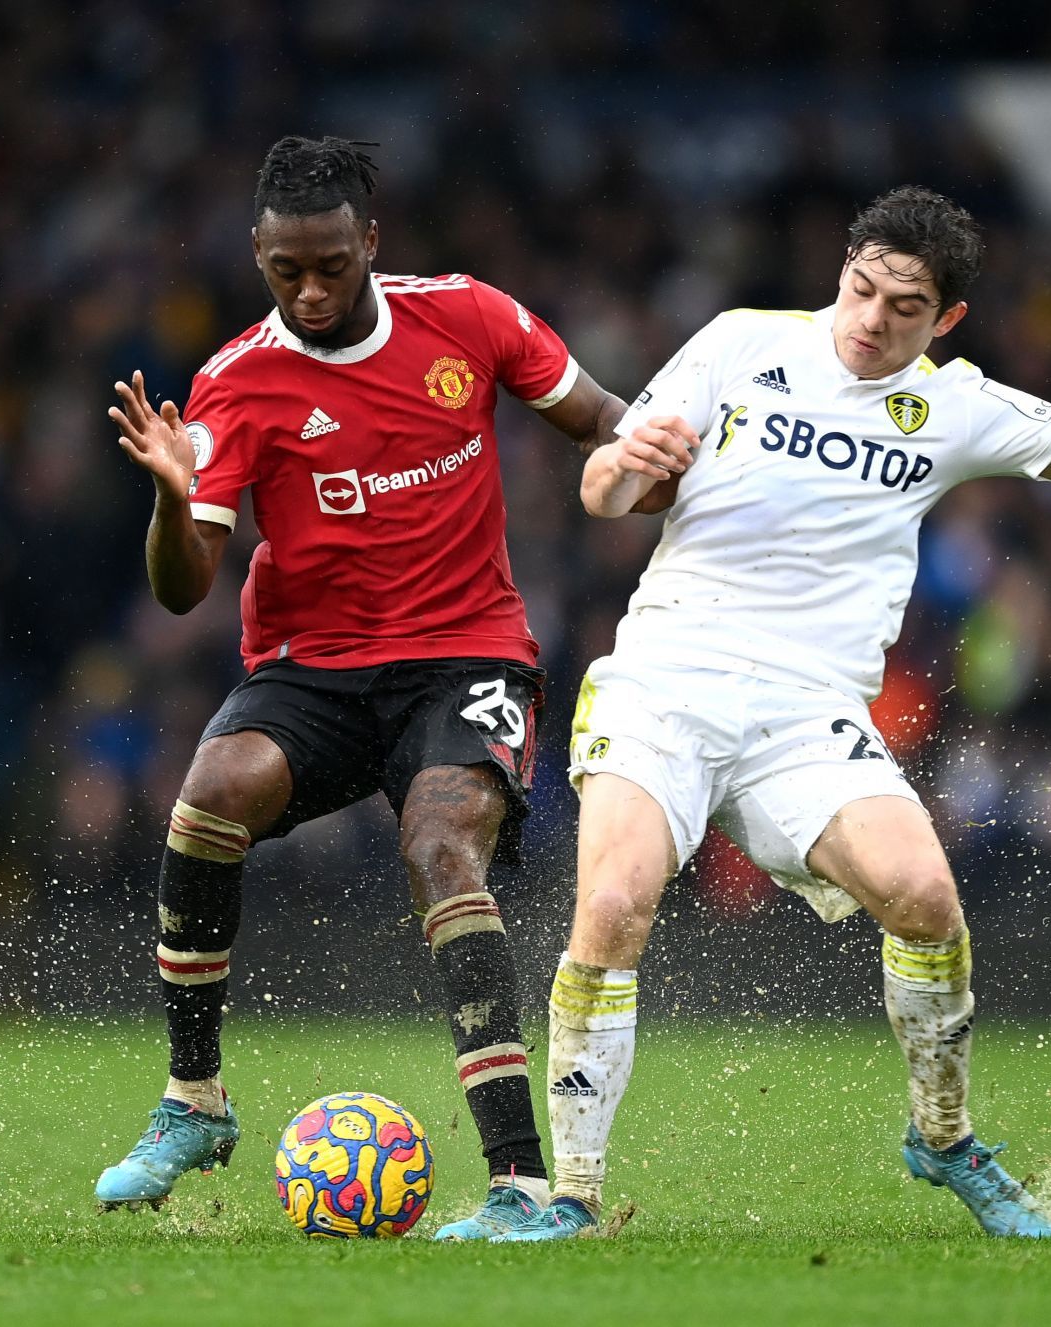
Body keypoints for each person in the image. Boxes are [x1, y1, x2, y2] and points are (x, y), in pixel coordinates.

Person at [499, 187, 1051, 1241]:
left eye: (905, 306)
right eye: (862, 287)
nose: (872, 319)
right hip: (668, 679)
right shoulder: (741, 344)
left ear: (947, 319)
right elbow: (606, 483)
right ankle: (573, 1197)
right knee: (611, 905)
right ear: (844, 269)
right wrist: (618, 471)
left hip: (807, 710)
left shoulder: (954, 408)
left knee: (925, 896)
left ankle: (944, 1135)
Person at [94, 136, 669, 1242]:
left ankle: (514, 1181)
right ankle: (193, 1102)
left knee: (438, 846)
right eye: (283, 271)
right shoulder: (237, 381)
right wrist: (172, 500)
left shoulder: (470, 318)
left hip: (468, 656)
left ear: (370, 242)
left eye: (329, 267)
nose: (308, 292)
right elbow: (182, 591)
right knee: (213, 788)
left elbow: (602, 420)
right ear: (258, 255)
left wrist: (664, 455)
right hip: (315, 670)